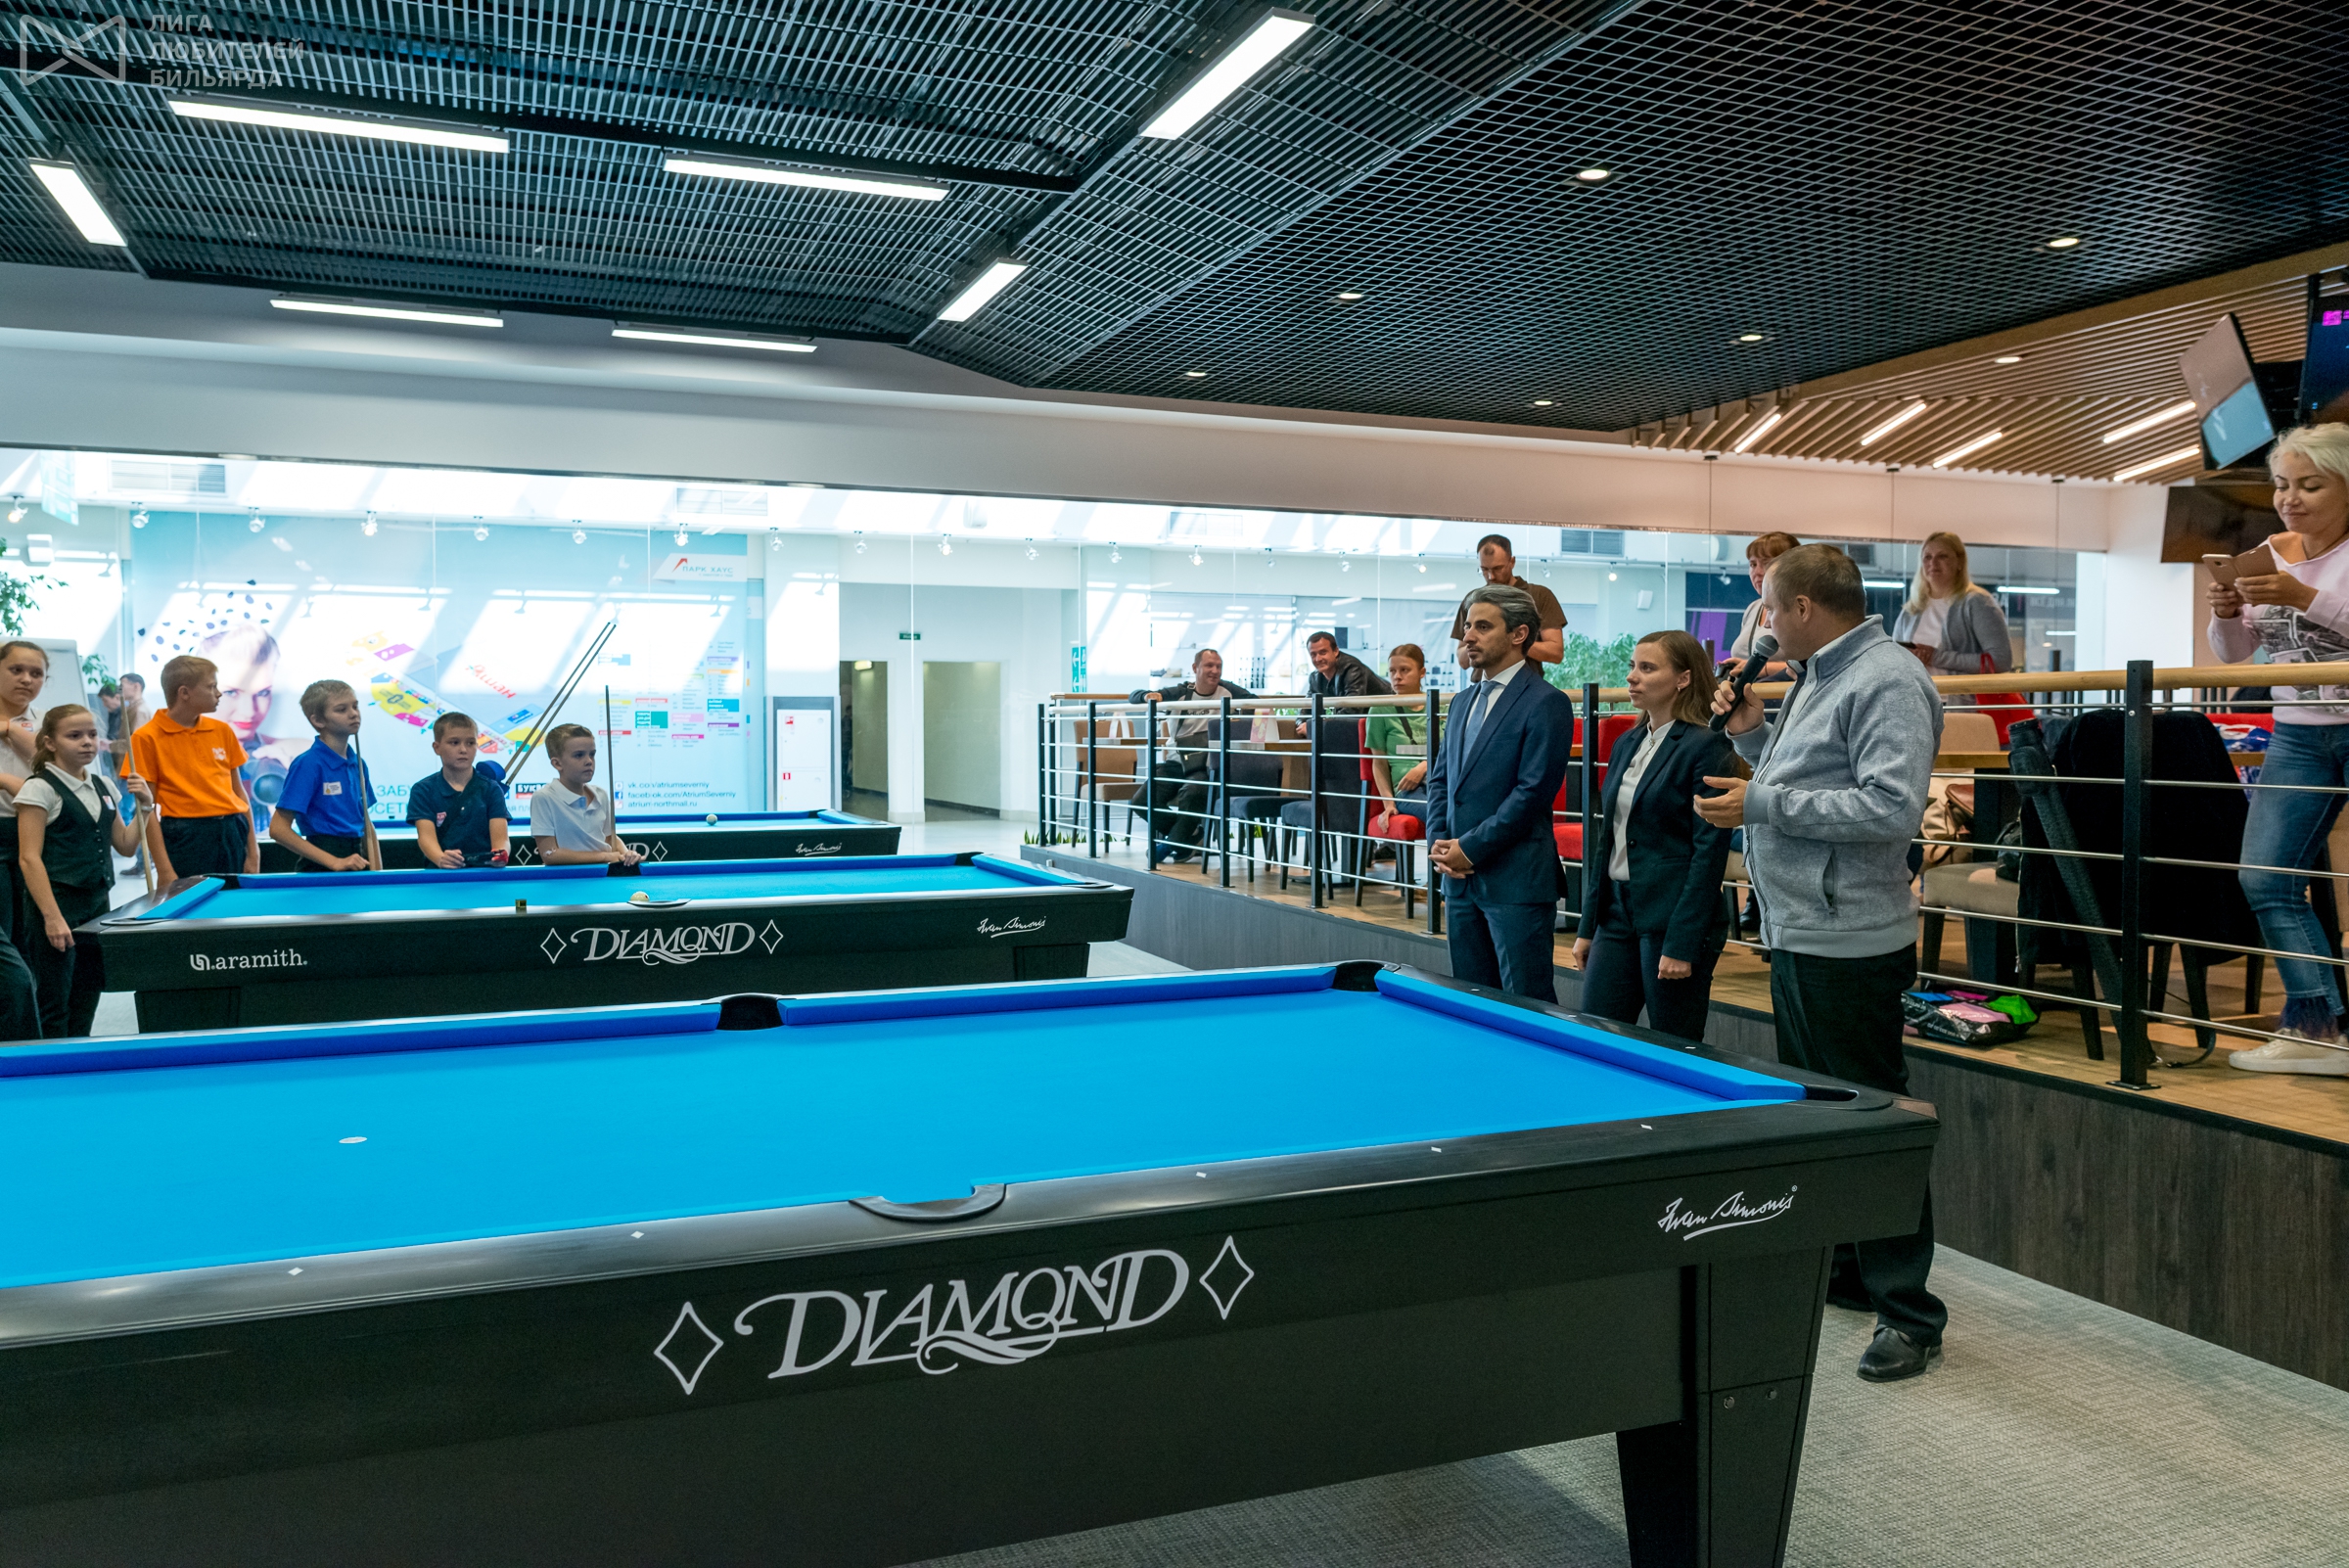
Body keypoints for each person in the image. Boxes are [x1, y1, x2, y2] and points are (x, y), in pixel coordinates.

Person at [1701, 543, 1946, 1382]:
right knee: (1825, 1116)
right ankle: (1848, 1270)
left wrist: (1759, 800)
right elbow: (1810, 774)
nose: (1763, 625)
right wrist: (1752, 735)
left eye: (1769, 609)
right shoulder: (1818, 673)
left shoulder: (1887, 678)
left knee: (1872, 1123)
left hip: (1851, 938)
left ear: (1803, 607)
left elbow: (1890, 808)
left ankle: (1909, 1312)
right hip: (1802, 928)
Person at [2208, 422, 2349, 1073]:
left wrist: (2304, 597)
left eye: (2309, 485)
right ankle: (2318, 1031)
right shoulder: (2268, 551)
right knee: (2265, 877)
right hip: (2297, 732)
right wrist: (2225, 613)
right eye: (2281, 484)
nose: (2289, 498)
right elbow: (2236, 655)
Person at [1566, 631, 1736, 1041]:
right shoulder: (1628, 741)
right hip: (1616, 913)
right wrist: (1588, 926)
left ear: (1683, 678)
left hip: (1672, 916)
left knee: (1673, 1044)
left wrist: (1682, 943)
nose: (1632, 677)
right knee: (1597, 1036)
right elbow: (1608, 840)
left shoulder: (1707, 744)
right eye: (1632, 667)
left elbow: (1708, 853)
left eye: (1647, 668)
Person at [1424, 585, 1576, 1000]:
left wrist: (1470, 849)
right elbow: (1441, 782)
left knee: (1527, 1007)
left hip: (1515, 884)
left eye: (1483, 627)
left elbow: (1532, 794)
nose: (1468, 637)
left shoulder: (1547, 702)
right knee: (1472, 1005)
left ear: (1518, 634)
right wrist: (1440, 845)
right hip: (1458, 881)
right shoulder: (1461, 701)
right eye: (1467, 627)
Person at [17, 705, 152, 1038]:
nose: (87, 742)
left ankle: (79, 1058)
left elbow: (125, 845)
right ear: (50, 742)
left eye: (92, 734)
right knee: (55, 999)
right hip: (57, 904)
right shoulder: (39, 789)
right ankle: (52, 1066)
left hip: (97, 905)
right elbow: (29, 859)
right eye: (74, 736)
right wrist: (52, 918)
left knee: (87, 993)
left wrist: (147, 807)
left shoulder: (103, 785)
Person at [133, 655, 260, 883]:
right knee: (192, 903)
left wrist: (254, 851)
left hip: (232, 829)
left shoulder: (222, 730)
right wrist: (164, 870)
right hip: (186, 836)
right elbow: (146, 809)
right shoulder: (146, 737)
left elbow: (239, 793)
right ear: (184, 693)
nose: (218, 693)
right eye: (211, 686)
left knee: (234, 900)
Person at [1129, 649, 1254, 866]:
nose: (1215, 671)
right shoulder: (1180, 692)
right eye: (1209, 666)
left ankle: (1171, 845)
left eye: (1218, 666)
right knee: (1141, 801)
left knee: (1194, 792)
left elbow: (1255, 702)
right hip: (1176, 762)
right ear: (1195, 668)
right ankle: (1191, 837)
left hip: (1205, 765)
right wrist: (1147, 696)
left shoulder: (1228, 690)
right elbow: (1135, 696)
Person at [269, 680, 380, 872]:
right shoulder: (309, 764)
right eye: (341, 709)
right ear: (318, 721)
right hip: (321, 862)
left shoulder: (358, 763)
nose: (354, 714)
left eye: (355, 706)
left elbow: (366, 823)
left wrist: (377, 872)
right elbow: (278, 829)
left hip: (358, 859)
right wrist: (334, 861)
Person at [0, 641, 51, 1038]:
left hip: (36, 837)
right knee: (8, 961)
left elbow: (52, 783)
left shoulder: (47, 725)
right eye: (16, 670)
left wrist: (9, 730)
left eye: (36, 673)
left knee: (32, 945)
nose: (26, 680)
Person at [1893, 531, 2012, 674]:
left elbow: (2001, 661)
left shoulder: (1977, 602)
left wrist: (1936, 657)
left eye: (1942, 556)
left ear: (1959, 562)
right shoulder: (1912, 609)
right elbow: (1893, 659)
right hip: (1916, 690)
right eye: (1927, 557)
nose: (1933, 563)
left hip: (1959, 690)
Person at [1450, 534, 1567, 673]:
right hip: (1483, 683)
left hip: (1524, 683)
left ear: (1512, 562)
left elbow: (1555, 653)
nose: (1491, 576)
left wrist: (1508, 641)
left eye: (1498, 568)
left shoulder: (1539, 595)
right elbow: (1463, 661)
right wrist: (1479, 641)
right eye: (1484, 569)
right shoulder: (1474, 600)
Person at [530, 722, 644, 867]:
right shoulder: (544, 798)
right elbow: (550, 854)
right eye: (579, 755)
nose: (589, 761)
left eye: (592, 754)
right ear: (557, 764)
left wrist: (627, 853)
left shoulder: (601, 794)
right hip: (566, 877)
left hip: (605, 875)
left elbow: (610, 838)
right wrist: (605, 856)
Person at [409, 713, 511, 869]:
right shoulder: (423, 790)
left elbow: (502, 839)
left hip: (485, 874)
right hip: (440, 874)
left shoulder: (491, 788)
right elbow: (425, 838)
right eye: (454, 743)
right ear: (437, 747)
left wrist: (500, 855)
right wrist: (441, 858)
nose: (463, 749)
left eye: (470, 743)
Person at [1367, 644, 1430, 828]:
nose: (1397, 676)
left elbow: (1451, 751)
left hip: (1440, 782)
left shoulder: (1439, 706)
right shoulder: (1380, 709)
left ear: (1422, 672)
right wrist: (1389, 804)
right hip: (1406, 791)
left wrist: (1422, 767)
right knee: (1440, 813)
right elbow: (1379, 763)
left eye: (1404, 670)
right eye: (1392, 671)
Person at [1728, 532, 1800, 669]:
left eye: (1766, 563)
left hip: (1783, 684)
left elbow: (1812, 664)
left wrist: (1762, 670)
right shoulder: (1753, 608)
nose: (1757, 572)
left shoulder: (1798, 607)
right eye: (1753, 564)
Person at [1305, 632, 1393, 698]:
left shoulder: (1352, 669)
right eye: (1313, 654)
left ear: (1336, 651)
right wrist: (1301, 718)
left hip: (1388, 711)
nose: (1318, 659)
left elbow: (1352, 708)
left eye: (1323, 652)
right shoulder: (1315, 677)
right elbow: (1307, 706)